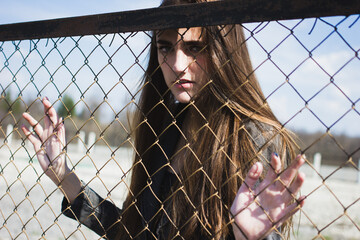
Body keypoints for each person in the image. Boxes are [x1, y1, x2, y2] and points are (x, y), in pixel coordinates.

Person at [21, 0, 306, 239]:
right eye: (166, 47)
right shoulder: (166, 127)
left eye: (195, 48)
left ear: (225, 51)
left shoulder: (254, 137)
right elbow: (133, 232)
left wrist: (245, 237)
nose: (177, 66)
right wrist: (64, 177)